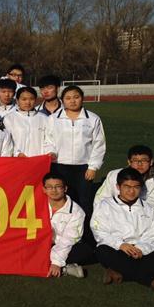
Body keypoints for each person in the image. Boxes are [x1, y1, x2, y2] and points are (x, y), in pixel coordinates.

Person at [91, 168, 154, 294]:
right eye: (127, 187)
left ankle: (118, 271)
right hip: (117, 249)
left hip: (142, 251)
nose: (131, 191)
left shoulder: (150, 209)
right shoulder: (104, 205)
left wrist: (141, 249)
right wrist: (121, 245)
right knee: (102, 251)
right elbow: (99, 231)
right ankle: (152, 281)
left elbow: (153, 233)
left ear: (141, 188)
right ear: (118, 187)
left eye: (136, 187)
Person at [45, 85, 106, 219]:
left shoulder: (93, 119)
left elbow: (99, 144)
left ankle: (84, 230)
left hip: (83, 168)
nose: (72, 101)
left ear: (82, 98)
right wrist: (51, 153)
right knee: (62, 200)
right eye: (68, 98)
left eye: (76, 97)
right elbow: (48, 140)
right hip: (59, 166)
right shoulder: (53, 119)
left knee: (84, 201)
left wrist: (93, 167)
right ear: (62, 100)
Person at [44, 173, 94, 278]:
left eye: (58, 186)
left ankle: (58, 266)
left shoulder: (77, 212)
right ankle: (66, 269)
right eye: (49, 187)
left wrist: (56, 262)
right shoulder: (37, 204)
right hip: (42, 244)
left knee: (86, 251)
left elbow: (68, 240)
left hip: (65, 245)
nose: (54, 190)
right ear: (44, 189)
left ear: (65, 188)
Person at [94, 145, 154, 210]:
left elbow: (153, 206)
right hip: (111, 213)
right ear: (129, 162)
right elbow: (101, 198)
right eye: (135, 160)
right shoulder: (114, 175)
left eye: (144, 160)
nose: (140, 164)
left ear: (151, 162)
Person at [2, 87, 51, 158]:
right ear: (17, 101)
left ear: (35, 100)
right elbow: (7, 142)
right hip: (17, 160)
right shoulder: (9, 118)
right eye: (24, 99)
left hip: (38, 160)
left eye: (31, 99)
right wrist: (17, 153)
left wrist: (49, 153)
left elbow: (49, 140)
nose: (28, 102)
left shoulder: (44, 118)